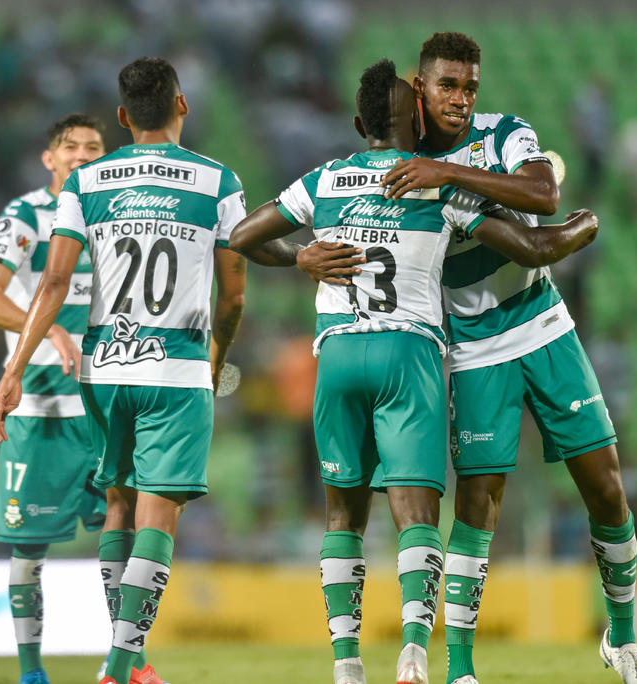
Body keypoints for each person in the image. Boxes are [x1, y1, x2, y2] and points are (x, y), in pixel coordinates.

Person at [230, 59, 599, 684]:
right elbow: (535, 246)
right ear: (418, 120)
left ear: (359, 125)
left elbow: (241, 236)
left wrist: (301, 258)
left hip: (338, 353)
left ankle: (347, 664)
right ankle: (412, 654)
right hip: (408, 356)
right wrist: (586, 224)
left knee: (341, 517)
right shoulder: (435, 186)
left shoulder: (324, 179)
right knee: (417, 515)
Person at [375, 32, 637, 684]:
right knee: (479, 507)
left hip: (544, 323)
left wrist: (449, 173)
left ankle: (622, 641)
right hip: (474, 348)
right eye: (448, 85)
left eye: (469, 86)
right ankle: (461, 670)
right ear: (421, 88)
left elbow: (543, 193)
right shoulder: (401, 165)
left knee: (607, 488)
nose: (460, 98)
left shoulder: (503, 132)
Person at [0, 56, 247, 684]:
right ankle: (121, 664)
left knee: (118, 504)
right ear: (182, 105)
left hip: (102, 369)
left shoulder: (85, 181)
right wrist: (215, 358)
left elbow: (53, 282)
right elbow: (234, 294)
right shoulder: (218, 181)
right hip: (175, 367)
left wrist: (14, 368)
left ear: (123, 116)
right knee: (158, 517)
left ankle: (122, 661)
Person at [0, 114, 109, 684]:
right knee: (29, 549)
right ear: (49, 159)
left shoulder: (118, 214)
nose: (82, 155)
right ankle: (31, 673)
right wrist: (48, 328)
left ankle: (126, 661)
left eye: (93, 147)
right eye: (70, 147)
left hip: (105, 406)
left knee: (122, 535)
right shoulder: (26, 216)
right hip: (42, 411)